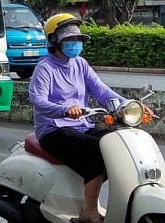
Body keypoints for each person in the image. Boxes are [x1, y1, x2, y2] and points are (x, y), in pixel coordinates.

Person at [29, 13, 141, 223]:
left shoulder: (80, 64)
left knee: (117, 146)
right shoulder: (45, 68)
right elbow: (38, 100)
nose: (75, 44)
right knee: (99, 150)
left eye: (78, 39)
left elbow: (102, 92)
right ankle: (88, 211)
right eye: (69, 40)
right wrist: (64, 109)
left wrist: (130, 104)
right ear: (54, 41)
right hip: (53, 129)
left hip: (81, 125)